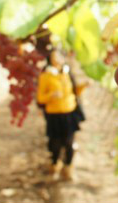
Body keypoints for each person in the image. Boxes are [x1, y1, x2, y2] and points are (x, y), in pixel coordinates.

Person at [36, 51, 84, 181]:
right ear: (49, 59)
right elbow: (40, 98)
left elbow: (75, 91)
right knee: (56, 143)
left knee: (69, 142)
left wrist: (84, 86)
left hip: (69, 113)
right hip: (54, 115)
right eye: (54, 56)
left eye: (59, 56)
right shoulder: (45, 75)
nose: (57, 59)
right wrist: (51, 95)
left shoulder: (67, 73)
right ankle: (55, 165)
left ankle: (68, 169)